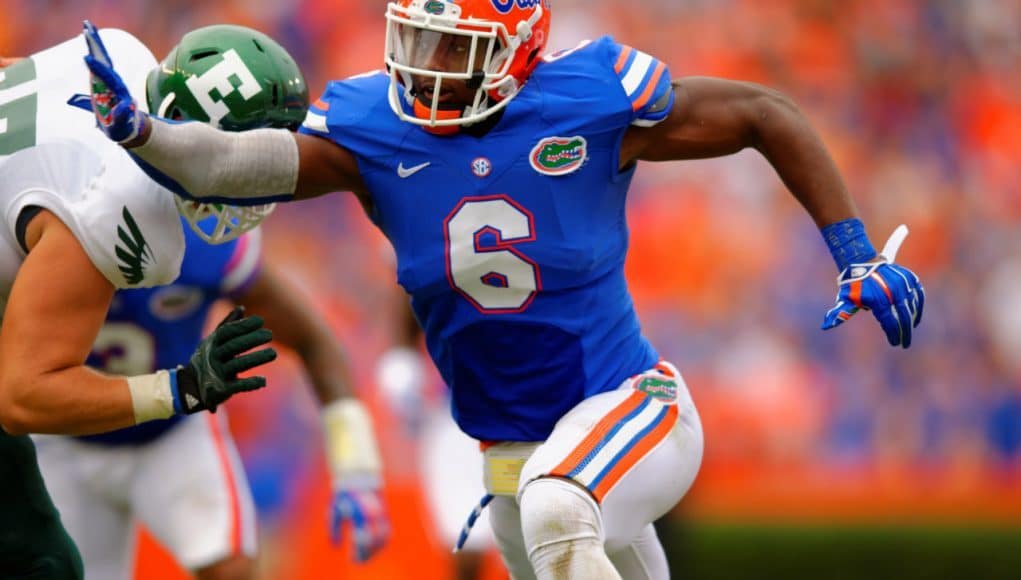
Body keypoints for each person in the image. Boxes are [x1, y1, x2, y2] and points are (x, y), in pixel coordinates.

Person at [83, 0, 926, 577]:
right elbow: (238, 164)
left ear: (517, 50)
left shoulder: (588, 96)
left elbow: (762, 112)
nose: (426, 65)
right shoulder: (374, 125)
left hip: (632, 407)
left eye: (453, 47)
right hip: (508, 451)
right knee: (547, 517)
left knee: (562, 507)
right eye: (417, 39)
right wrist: (144, 133)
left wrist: (853, 253)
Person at [35, 25, 390, 580]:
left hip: (171, 435)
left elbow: (316, 343)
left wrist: (356, 466)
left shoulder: (213, 244)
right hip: (64, 444)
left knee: (231, 570)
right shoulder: (77, 208)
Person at [0, 27, 277, 579]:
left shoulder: (125, 57)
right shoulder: (122, 207)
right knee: (43, 564)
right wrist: (178, 389)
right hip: (64, 440)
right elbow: (21, 396)